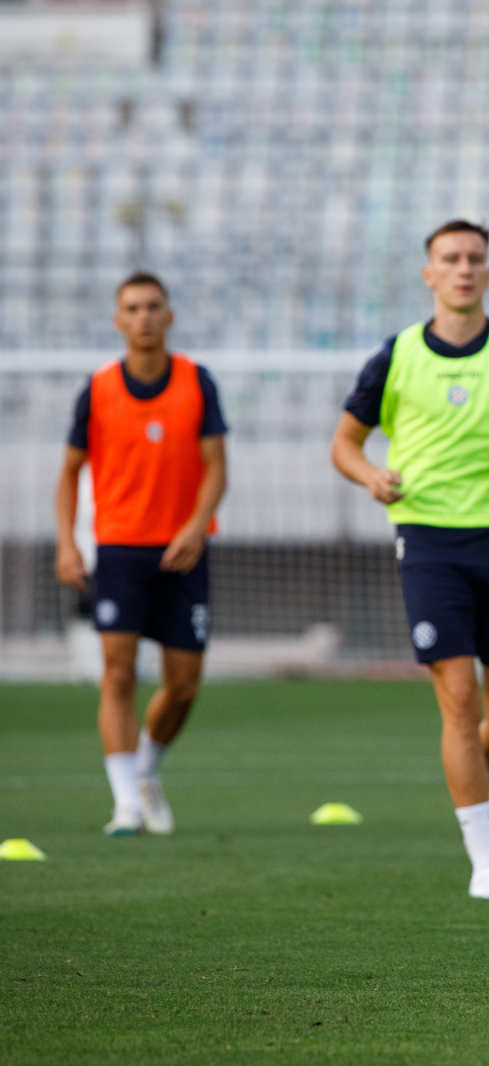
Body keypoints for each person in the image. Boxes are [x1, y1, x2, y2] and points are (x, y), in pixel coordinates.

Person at [332, 219, 489, 900]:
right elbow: (345, 444)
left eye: (475, 258)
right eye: (451, 258)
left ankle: (469, 781)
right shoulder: (397, 355)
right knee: (457, 700)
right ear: (430, 274)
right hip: (430, 543)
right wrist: (370, 477)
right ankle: (487, 864)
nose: (464, 269)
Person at [54, 272, 229, 836]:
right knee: (118, 675)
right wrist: (66, 541)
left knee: (182, 687)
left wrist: (196, 527)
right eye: (132, 307)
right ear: (118, 320)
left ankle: (147, 769)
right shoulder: (100, 387)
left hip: (183, 550)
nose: (144, 317)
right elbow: (70, 473)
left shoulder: (197, 382)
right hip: (120, 547)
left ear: (169, 316)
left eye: (153, 306)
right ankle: (125, 803)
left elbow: (216, 467)